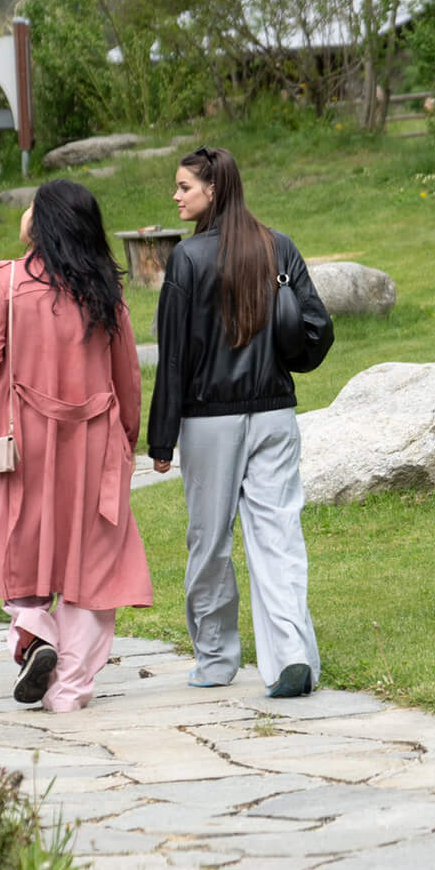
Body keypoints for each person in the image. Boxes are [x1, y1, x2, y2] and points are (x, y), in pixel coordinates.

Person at [147, 145, 332, 697]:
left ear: (212, 191)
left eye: (184, 187)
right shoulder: (280, 247)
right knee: (279, 538)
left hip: (211, 423)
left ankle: (215, 660)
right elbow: (317, 331)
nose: (176, 196)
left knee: (209, 542)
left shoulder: (187, 259)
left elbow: (173, 356)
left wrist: (161, 440)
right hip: (276, 413)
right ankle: (290, 658)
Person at [0, 178, 152, 711]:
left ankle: (32, 632)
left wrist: (25, 247)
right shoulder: (106, 291)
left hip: (23, 442)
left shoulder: (6, 282)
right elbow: (128, 378)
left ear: (39, 225)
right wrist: (130, 437)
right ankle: (69, 689)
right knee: (92, 561)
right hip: (94, 441)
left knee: (21, 543)